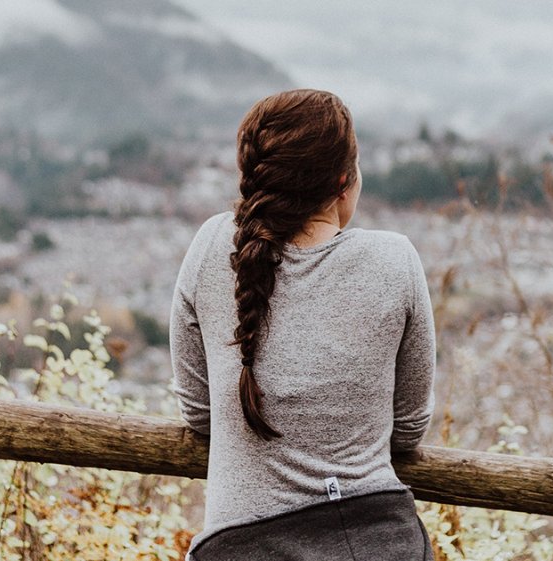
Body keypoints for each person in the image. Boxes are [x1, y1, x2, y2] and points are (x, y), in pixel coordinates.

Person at [169, 88, 437, 561]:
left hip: (240, 545)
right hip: (375, 542)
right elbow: (409, 427)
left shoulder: (212, 246)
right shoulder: (395, 261)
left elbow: (198, 411)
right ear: (343, 181)